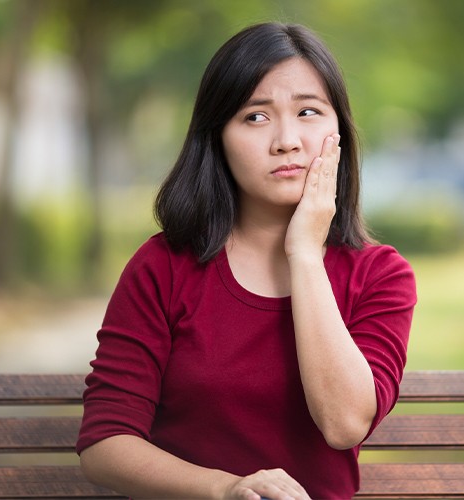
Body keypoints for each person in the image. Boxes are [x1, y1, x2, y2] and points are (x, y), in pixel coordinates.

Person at [76, 22, 417, 499]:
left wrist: (303, 254)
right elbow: (104, 446)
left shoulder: (380, 275)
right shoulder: (164, 266)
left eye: (308, 112)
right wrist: (227, 488)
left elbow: (343, 424)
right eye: (256, 117)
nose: (287, 140)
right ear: (217, 136)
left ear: (338, 129)